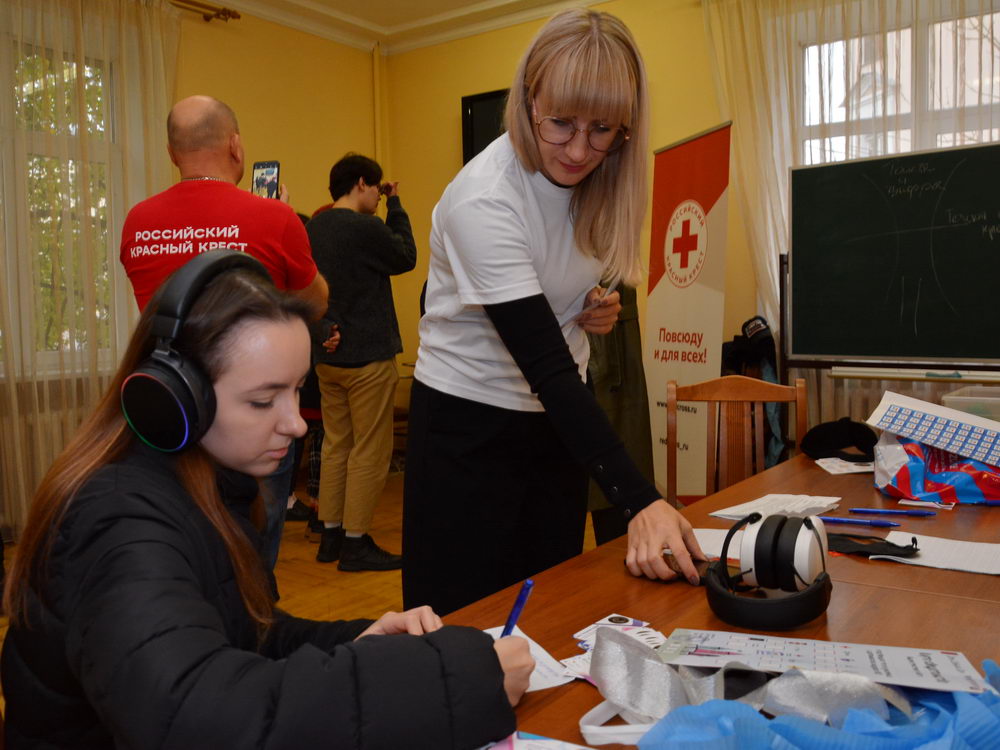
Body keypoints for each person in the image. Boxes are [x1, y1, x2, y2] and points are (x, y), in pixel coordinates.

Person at [1, 250, 532, 749]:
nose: (297, 423)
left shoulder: (202, 484)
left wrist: (358, 639)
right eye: (262, 400)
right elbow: (196, 714)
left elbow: (237, 638)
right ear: (173, 399)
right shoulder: (119, 522)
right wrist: (452, 680)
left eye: (297, 390)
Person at [403, 8, 707, 616]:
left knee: (551, 609)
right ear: (527, 100)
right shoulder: (484, 198)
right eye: (561, 123)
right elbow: (544, 366)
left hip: (553, 426)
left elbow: (548, 298)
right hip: (469, 427)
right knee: (467, 623)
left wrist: (585, 306)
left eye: (602, 130)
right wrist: (641, 499)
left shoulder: (603, 180)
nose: (578, 149)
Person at [119, 95, 332, 571]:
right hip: (253, 409)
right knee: (254, 542)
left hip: (168, 402)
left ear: (173, 153)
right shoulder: (273, 217)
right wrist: (287, 229)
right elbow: (315, 303)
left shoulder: (138, 221)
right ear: (236, 146)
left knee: (179, 537)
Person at [306, 155, 417, 570]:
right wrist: (397, 205)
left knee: (336, 446)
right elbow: (406, 256)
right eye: (376, 187)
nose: (378, 194)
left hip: (327, 357)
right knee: (370, 450)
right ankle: (356, 544)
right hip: (368, 357)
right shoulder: (367, 227)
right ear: (361, 184)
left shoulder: (313, 227)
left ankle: (330, 536)